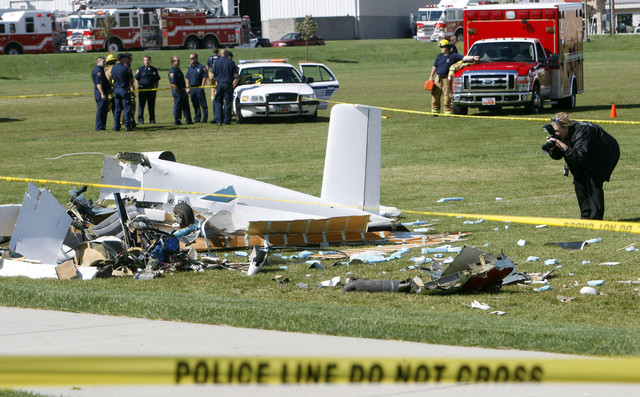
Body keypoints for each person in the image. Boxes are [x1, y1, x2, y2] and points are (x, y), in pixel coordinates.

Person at [545, 112, 620, 220]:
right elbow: (559, 156)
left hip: (605, 152)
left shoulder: (582, 132)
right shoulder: (563, 133)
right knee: (579, 179)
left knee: (593, 180)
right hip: (587, 153)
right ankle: (585, 217)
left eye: (557, 131)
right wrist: (554, 148)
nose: (555, 134)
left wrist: (563, 146)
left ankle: (596, 220)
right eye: (553, 131)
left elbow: (579, 156)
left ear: (566, 127)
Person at [429, 39, 478, 115]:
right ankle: (435, 112)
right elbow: (434, 67)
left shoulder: (453, 55)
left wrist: (473, 57)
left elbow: (464, 58)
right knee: (435, 96)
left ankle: (448, 111)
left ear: (447, 47)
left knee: (447, 96)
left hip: (447, 79)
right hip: (438, 79)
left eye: (442, 47)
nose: (441, 48)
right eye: (440, 47)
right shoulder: (439, 56)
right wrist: (431, 77)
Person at [210, 48, 238, 125]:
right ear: (226, 54)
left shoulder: (217, 63)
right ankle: (227, 120)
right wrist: (233, 85)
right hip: (228, 84)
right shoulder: (231, 63)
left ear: (221, 54)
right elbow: (236, 76)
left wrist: (213, 84)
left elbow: (212, 76)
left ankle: (219, 120)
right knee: (228, 103)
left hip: (219, 84)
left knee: (218, 102)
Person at [111, 53, 134, 131]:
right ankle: (127, 125)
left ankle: (116, 126)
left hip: (116, 89)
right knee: (127, 107)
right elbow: (130, 77)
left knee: (117, 108)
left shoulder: (113, 68)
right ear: (121, 59)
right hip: (124, 89)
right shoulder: (125, 68)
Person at [135, 55, 161, 124]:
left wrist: (156, 88)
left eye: (148, 60)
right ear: (143, 61)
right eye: (145, 60)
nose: (147, 62)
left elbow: (157, 80)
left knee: (151, 106)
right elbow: (136, 79)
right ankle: (140, 120)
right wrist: (138, 87)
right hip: (143, 90)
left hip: (151, 90)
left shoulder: (154, 69)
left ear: (150, 61)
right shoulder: (140, 69)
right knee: (141, 106)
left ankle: (152, 120)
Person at [168, 56, 193, 126]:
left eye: (179, 60)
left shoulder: (178, 70)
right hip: (177, 91)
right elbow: (173, 83)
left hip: (182, 90)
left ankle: (188, 120)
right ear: (173, 62)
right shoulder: (172, 71)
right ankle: (177, 120)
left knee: (186, 105)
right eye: (177, 61)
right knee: (178, 106)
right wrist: (178, 92)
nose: (179, 62)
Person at [186, 53, 209, 123]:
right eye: (190, 58)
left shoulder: (201, 67)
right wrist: (187, 87)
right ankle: (197, 118)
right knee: (195, 104)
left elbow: (205, 77)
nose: (191, 60)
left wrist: (202, 86)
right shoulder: (189, 68)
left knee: (203, 104)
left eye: (192, 58)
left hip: (199, 87)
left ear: (196, 58)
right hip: (192, 88)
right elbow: (187, 78)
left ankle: (205, 118)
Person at [92, 56, 110, 131]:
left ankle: (102, 126)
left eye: (105, 61)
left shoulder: (101, 69)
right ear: (98, 62)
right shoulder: (98, 71)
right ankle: (99, 127)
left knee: (104, 110)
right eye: (103, 61)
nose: (105, 63)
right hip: (100, 93)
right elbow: (99, 84)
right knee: (101, 110)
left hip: (103, 92)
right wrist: (102, 94)